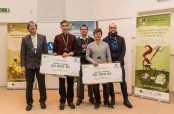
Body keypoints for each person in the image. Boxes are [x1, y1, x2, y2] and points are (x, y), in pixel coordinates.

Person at [102, 23, 132, 108]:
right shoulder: (105, 40)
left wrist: (119, 61)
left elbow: (123, 50)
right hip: (110, 64)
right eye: (111, 27)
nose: (112, 29)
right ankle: (112, 97)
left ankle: (126, 99)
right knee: (110, 82)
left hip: (119, 64)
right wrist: (110, 61)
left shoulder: (121, 39)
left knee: (122, 81)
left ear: (116, 28)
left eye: (114, 27)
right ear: (109, 28)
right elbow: (105, 52)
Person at [20, 21, 48, 111]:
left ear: (36, 27)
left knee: (42, 84)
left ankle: (42, 101)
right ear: (28, 28)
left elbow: (45, 52)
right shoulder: (25, 39)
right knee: (29, 85)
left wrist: (46, 65)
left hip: (40, 64)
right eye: (30, 26)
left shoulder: (43, 37)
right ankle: (29, 102)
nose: (32, 27)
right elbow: (22, 54)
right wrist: (23, 66)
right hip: (29, 65)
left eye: (34, 25)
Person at [86, 28, 114, 110]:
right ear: (94, 35)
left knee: (106, 86)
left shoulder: (106, 44)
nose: (97, 35)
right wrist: (92, 61)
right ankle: (97, 101)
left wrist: (110, 66)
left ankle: (106, 101)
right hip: (95, 67)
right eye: (96, 34)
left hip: (104, 67)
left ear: (101, 35)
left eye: (99, 34)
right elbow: (87, 56)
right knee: (95, 86)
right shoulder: (90, 45)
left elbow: (109, 56)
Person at [53, 20, 77, 110]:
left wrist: (69, 54)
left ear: (68, 26)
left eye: (66, 25)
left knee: (70, 83)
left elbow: (76, 49)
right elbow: (54, 50)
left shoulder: (73, 37)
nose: (65, 27)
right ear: (61, 27)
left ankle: (70, 101)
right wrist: (57, 57)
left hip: (70, 63)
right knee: (61, 84)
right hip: (61, 64)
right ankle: (62, 101)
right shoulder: (57, 37)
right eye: (63, 25)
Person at [76, 24, 95, 106]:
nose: (83, 30)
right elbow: (75, 51)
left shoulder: (91, 39)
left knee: (90, 81)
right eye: (82, 29)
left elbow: (94, 51)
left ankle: (91, 98)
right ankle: (79, 98)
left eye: (85, 29)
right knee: (80, 82)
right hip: (80, 63)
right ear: (80, 31)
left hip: (89, 63)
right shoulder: (77, 40)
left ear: (87, 30)